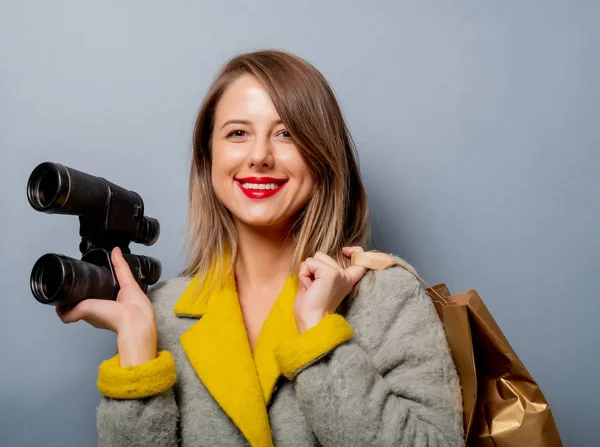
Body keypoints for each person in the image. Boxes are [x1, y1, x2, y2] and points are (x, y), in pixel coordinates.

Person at [56, 49, 464, 446]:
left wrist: (319, 335)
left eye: (286, 134)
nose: (260, 156)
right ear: (208, 158)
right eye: (238, 133)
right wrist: (137, 352)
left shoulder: (387, 297)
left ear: (323, 156)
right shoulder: (161, 312)